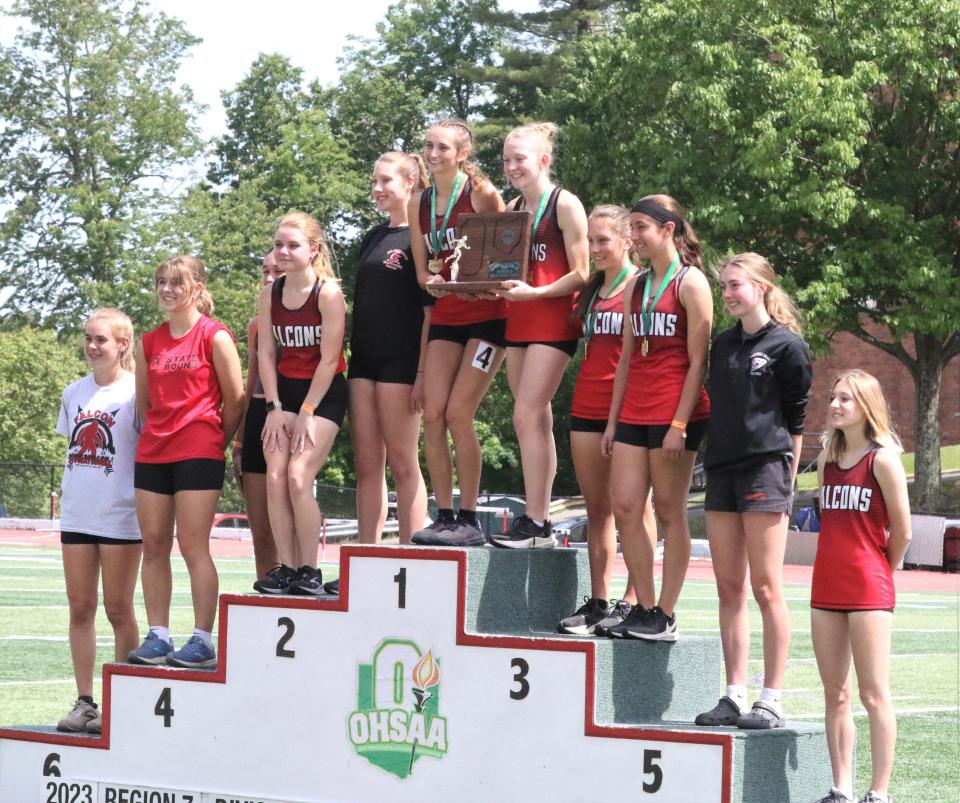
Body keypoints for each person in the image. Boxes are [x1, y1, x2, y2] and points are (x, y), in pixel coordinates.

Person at [694, 253, 812, 729]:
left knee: (766, 587)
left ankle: (772, 698)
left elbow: (797, 420)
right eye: (723, 286)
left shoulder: (787, 346)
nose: (726, 294)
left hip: (766, 471)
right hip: (720, 470)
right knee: (729, 587)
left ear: (762, 287)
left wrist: (787, 479)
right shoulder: (721, 345)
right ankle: (734, 695)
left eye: (735, 285)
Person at [602, 195, 712, 641]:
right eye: (632, 227)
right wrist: (612, 420)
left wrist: (680, 425)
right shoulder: (636, 285)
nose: (634, 236)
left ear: (668, 230)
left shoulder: (692, 283)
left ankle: (666, 612)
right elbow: (626, 358)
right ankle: (644, 606)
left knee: (669, 512)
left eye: (642, 227)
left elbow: (699, 361)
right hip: (634, 409)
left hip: (675, 413)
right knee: (626, 506)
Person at [129, 256, 244, 668]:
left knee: (193, 544)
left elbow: (236, 401)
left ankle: (202, 639)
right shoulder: (147, 342)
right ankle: (158, 635)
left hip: (199, 451)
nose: (166, 289)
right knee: (154, 544)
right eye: (161, 282)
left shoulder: (215, 337)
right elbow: (144, 405)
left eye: (176, 282)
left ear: (197, 286)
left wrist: (214, 440)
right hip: (153, 453)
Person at [811, 371, 911, 803]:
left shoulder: (882, 459)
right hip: (825, 588)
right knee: (835, 694)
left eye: (845, 400)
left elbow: (902, 532)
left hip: (869, 589)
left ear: (865, 406)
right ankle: (842, 788)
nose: (835, 405)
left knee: (873, 694)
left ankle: (879, 792)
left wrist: (879, 572)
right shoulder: (825, 461)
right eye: (833, 398)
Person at [489, 122, 588, 549]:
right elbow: (506, 268)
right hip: (519, 322)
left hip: (552, 321)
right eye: (507, 160)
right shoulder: (511, 208)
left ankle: (536, 521)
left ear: (543, 161)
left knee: (525, 415)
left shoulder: (564, 204)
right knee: (535, 419)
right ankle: (539, 518)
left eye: (520, 159)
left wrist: (537, 292)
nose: (512, 167)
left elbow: (584, 273)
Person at [408, 118, 506, 547]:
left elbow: (508, 252)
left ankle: (469, 517)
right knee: (432, 413)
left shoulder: (482, 193)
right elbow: (419, 269)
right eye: (429, 146)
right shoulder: (419, 202)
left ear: (462, 154)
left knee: (457, 413)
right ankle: (443, 515)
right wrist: (432, 282)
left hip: (488, 316)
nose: (432, 154)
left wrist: (483, 284)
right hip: (447, 313)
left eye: (443, 148)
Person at [556, 206, 654, 636]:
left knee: (634, 507)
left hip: (631, 409)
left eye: (603, 241)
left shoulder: (643, 286)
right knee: (598, 510)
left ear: (627, 241)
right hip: (587, 406)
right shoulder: (591, 290)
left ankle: (635, 601)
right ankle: (598, 601)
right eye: (591, 241)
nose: (594, 249)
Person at [55, 308, 142, 733]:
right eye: (88, 337)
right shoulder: (73, 393)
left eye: (101, 340)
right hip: (77, 513)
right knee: (80, 607)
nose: (92, 346)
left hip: (121, 515)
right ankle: (85, 702)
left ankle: (126, 700)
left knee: (118, 609)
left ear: (122, 345)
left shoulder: (136, 392)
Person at [254, 211, 348, 595]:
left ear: (314, 250)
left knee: (297, 476)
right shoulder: (269, 293)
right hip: (283, 393)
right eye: (279, 245)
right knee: (274, 478)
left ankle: (311, 568)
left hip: (322, 394)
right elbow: (265, 354)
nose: (284, 251)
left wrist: (307, 412)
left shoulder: (327, 294)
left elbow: (329, 360)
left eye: (293, 245)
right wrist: (275, 408)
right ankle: (288, 568)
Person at [349, 152, 432, 558]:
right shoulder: (373, 236)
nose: (378, 189)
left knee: (402, 462)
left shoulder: (422, 236)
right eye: (374, 181)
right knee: (367, 464)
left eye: (386, 181)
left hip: (402, 361)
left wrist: (422, 372)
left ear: (410, 182)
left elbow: (431, 312)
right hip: (363, 360)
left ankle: (409, 554)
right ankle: (366, 553)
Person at [234, 250, 284, 587]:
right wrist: (238, 440)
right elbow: (250, 381)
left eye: (276, 271)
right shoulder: (256, 325)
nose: (268, 278)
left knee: (288, 521)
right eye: (265, 271)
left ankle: (296, 592)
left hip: (294, 419)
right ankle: (267, 594)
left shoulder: (320, 312)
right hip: (257, 418)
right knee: (261, 526)